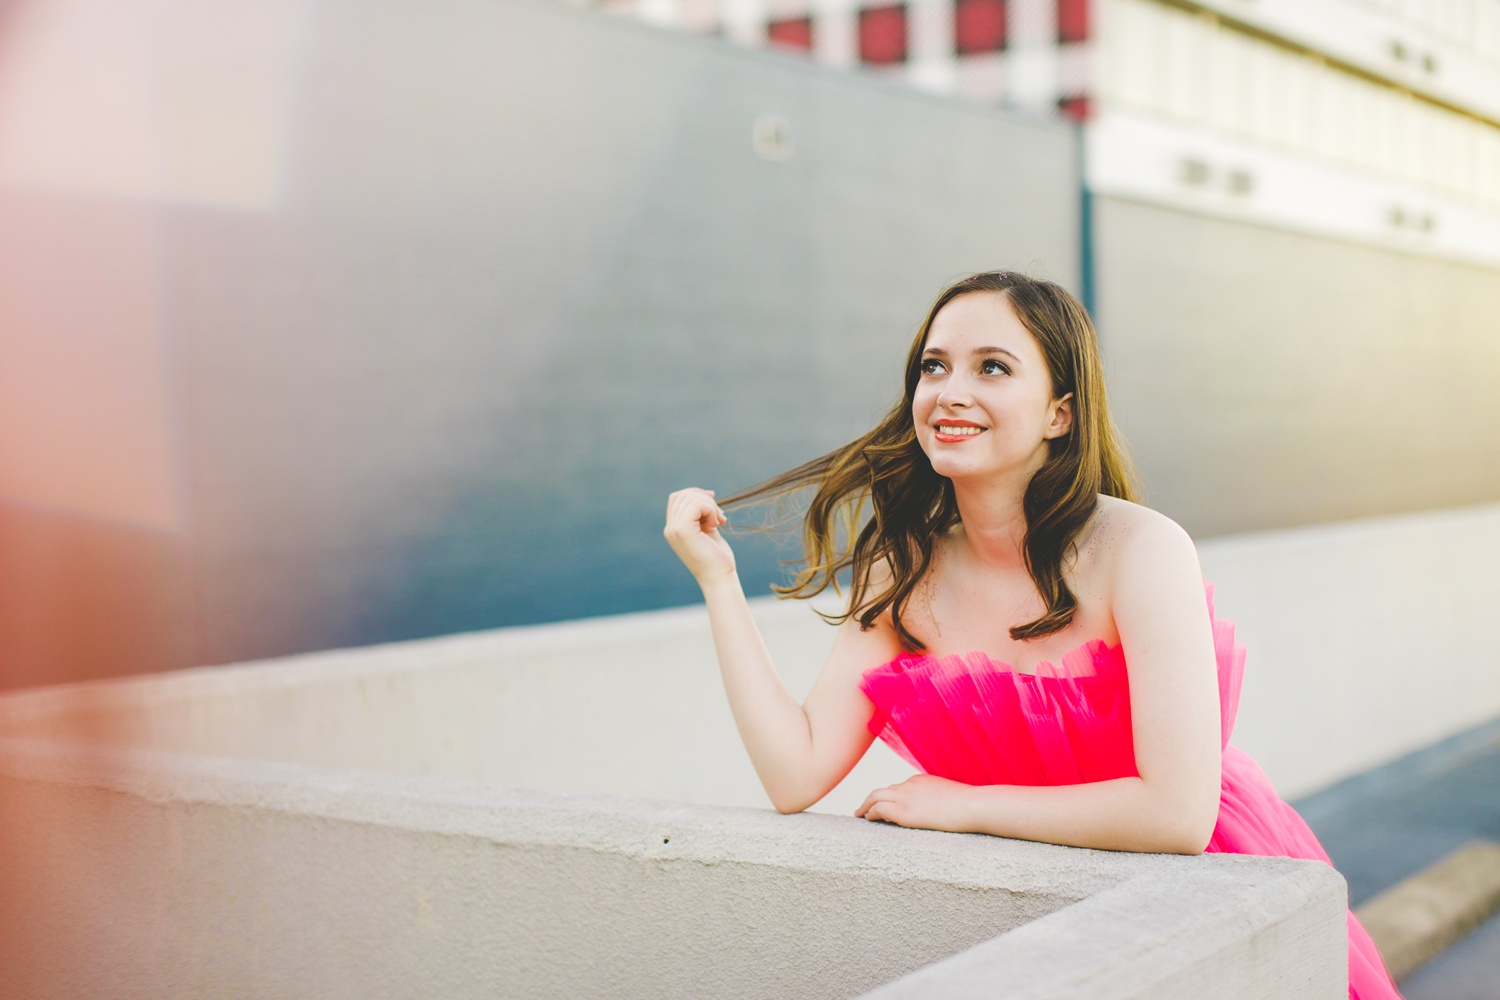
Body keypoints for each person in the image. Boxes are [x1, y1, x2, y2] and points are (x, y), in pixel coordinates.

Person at [663, 271, 1401, 999]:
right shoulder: (906, 568)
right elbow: (794, 775)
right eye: (933, 366)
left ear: (1060, 413)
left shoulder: (1139, 549)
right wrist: (719, 583)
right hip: (1039, 929)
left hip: (1204, 891)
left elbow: (1177, 815)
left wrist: (968, 804)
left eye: (992, 367)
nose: (951, 391)